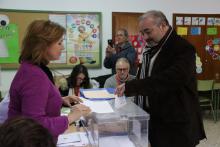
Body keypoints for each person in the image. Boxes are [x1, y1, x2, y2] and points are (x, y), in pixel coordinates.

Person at [115, 10, 206, 147]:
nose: (145, 37)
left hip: (176, 123)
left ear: (163, 25)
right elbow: (147, 75)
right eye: (142, 33)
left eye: (148, 32)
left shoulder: (183, 48)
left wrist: (133, 87)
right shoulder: (153, 48)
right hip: (156, 119)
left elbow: (169, 79)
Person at [8, 20, 91, 141]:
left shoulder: (34, 68)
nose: (62, 47)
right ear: (43, 45)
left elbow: (35, 100)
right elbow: (34, 125)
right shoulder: (33, 75)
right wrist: (70, 118)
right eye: (59, 43)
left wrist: (60, 100)